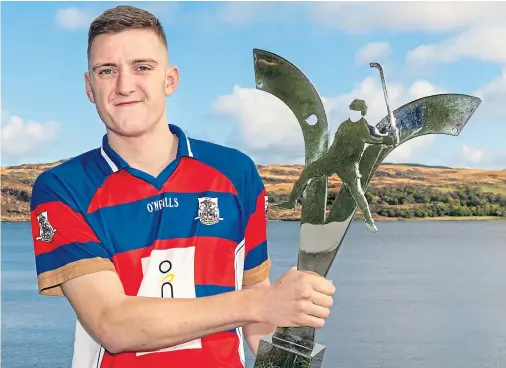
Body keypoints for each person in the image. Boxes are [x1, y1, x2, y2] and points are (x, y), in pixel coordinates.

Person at [29, 5, 335, 368]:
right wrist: (260, 303)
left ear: (170, 80)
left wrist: (284, 344)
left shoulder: (236, 173)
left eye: (142, 67)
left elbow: (254, 298)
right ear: (89, 87)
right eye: (107, 71)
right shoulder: (62, 189)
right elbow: (112, 323)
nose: (125, 85)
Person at [277, 99, 397, 232]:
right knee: (306, 173)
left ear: (362, 113)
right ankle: (291, 202)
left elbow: (374, 139)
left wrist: (389, 138)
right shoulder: (344, 125)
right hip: (331, 160)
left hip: (348, 165)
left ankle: (369, 221)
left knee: (357, 192)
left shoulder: (366, 128)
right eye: (351, 110)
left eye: (356, 111)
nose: (353, 113)